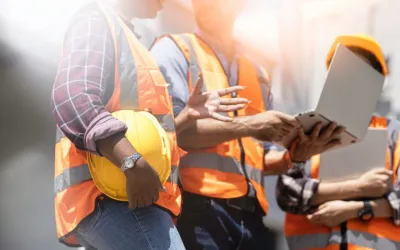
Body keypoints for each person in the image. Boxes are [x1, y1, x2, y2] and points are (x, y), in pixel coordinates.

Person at [51, 0, 249, 249]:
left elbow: (142, 131)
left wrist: (186, 116)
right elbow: (72, 97)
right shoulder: (96, 20)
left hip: (126, 196)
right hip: (115, 196)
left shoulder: (129, 39)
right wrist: (130, 162)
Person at [150, 0, 340, 249]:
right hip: (197, 213)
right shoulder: (173, 50)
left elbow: (258, 158)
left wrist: (293, 157)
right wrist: (249, 125)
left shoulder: (257, 72)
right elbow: (171, 134)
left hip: (251, 219)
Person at [276, 34, 400, 250]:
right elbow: (287, 193)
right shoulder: (307, 130)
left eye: (361, 71)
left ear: (377, 83)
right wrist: (359, 187)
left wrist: (355, 209)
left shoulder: (395, 134)